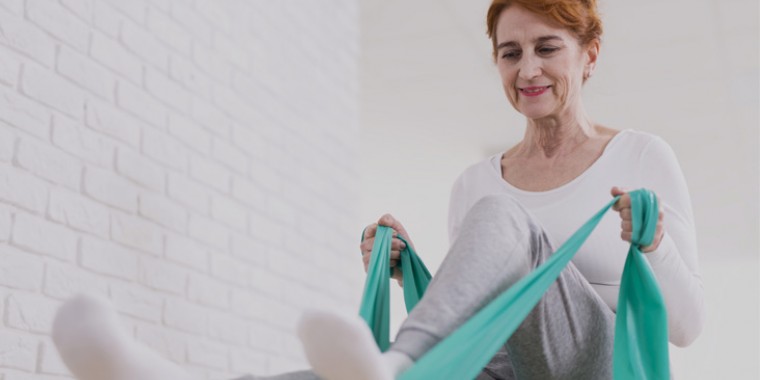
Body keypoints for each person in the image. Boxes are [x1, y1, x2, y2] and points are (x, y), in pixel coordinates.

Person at [52, 0, 704, 379]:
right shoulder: (474, 182)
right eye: (509, 53)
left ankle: (395, 367)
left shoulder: (640, 154)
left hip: (596, 363)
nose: (527, 68)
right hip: (503, 365)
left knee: (497, 222)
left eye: (546, 47)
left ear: (588, 56)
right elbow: (478, 305)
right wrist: (404, 272)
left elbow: (685, 327)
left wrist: (651, 245)